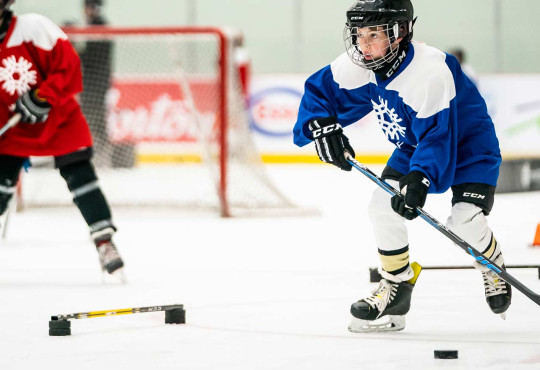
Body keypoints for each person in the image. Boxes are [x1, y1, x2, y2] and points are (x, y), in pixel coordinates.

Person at [293, 0, 511, 332]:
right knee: (382, 206)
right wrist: (321, 126)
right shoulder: (365, 62)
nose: (363, 45)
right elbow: (320, 92)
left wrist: (420, 180)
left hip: (469, 147)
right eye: (359, 35)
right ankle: (396, 284)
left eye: (373, 35)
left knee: (465, 220)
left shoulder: (430, 72)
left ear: (399, 33)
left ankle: (492, 265)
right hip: (414, 145)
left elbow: (439, 136)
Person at [0, 0, 125, 280]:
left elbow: (68, 65)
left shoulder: (33, 28)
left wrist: (42, 96)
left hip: (57, 119)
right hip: (11, 128)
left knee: (81, 175)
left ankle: (104, 241)